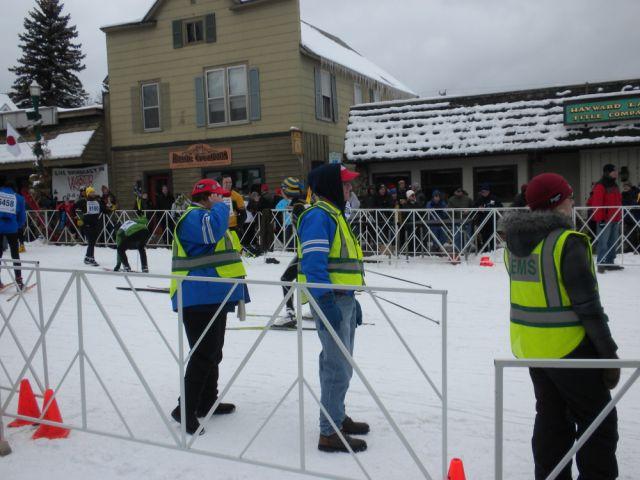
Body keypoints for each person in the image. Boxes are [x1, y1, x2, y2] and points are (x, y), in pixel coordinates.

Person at [501, 173, 619, 480]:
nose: (573, 202)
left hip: (532, 347)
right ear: (556, 203)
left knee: (551, 419)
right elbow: (589, 308)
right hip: (570, 348)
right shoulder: (567, 243)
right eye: (568, 196)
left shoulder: (514, 244)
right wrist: (608, 354)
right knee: (598, 422)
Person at [297, 164, 369, 453]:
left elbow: (341, 265)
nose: (350, 188)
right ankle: (329, 431)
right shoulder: (318, 216)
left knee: (341, 363)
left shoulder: (334, 214)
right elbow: (314, 265)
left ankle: (336, 415)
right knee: (336, 365)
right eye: (345, 184)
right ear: (330, 186)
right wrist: (325, 301)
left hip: (343, 298)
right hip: (331, 300)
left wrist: (352, 297)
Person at [169, 179, 250, 435]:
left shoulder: (207, 216)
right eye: (218, 196)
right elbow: (212, 232)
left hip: (213, 295)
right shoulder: (194, 217)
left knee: (213, 352)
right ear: (206, 197)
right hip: (197, 296)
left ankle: (207, 401)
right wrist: (220, 208)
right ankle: (185, 409)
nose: (223, 201)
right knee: (203, 354)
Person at [273, 178, 307, 328]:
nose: (281, 192)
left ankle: (290, 313)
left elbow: (304, 230)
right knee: (310, 280)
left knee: (286, 278)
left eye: (282, 189)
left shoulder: (298, 207)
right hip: (307, 251)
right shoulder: (300, 204)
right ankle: (317, 310)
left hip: (305, 252)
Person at [591, 164, 623, 272]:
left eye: (616, 171)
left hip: (615, 218)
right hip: (605, 219)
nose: (616, 173)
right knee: (603, 242)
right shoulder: (600, 185)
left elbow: (618, 201)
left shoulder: (615, 185)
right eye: (614, 171)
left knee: (613, 242)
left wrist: (619, 215)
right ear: (608, 172)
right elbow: (597, 204)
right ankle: (601, 263)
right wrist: (600, 219)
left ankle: (610, 262)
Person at [0, 181, 26, 290]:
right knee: (15, 254)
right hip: (12, 228)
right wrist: (17, 226)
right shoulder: (19, 198)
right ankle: (19, 281)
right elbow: (22, 217)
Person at [74, 186, 105, 266]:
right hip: (86, 224)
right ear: (87, 193)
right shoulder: (83, 201)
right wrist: (79, 217)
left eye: (93, 192)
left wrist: (109, 207)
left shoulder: (97, 201)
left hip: (95, 224)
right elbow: (74, 208)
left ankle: (88, 257)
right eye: (91, 192)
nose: (93, 193)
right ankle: (90, 258)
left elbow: (104, 209)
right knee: (91, 241)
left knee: (92, 242)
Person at [474, 183, 503, 251]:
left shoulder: (494, 198)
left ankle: (493, 250)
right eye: (482, 192)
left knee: (492, 235)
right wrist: (479, 208)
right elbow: (474, 206)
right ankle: (485, 250)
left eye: (484, 191)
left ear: (488, 191)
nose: (483, 193)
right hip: (482, 220)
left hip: (492, 220)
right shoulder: (479, 199)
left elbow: (500, 206)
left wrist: (492, 208)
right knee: (484, 236)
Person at [448, 186, 473, 259]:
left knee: (468, 235)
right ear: (454, 192)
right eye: (457, 191)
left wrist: (468, 212)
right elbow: (449, 211)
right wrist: (455, 214)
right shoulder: (451, 200)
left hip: (467, 220)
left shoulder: (467, 199)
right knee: (457, 236)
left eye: (460, 191)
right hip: (456, 221)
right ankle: (457, 250)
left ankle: (467, 249)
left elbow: (473, 207)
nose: (459, 193)